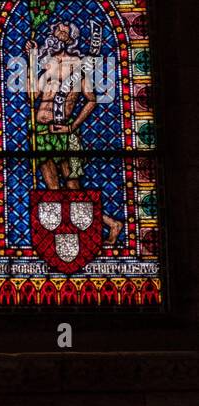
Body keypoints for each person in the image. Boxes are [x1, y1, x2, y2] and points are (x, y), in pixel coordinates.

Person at [26, 19, 122, 243]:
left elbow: (91, 100)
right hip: (41, 132)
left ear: (73, 38)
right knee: (52, 190)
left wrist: (72, 126)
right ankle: (65, 236)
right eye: (56, 28)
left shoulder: (79, 65)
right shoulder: (47, 64)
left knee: (73, 188)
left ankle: (109, 224)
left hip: (64, 134)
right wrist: (31, 60)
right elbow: (33, 95)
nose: (58, 32)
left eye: (64, 30)